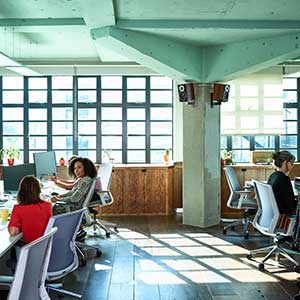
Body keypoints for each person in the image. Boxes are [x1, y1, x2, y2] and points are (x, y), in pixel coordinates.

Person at [8, 175, 52, 244]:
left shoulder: (18, 208)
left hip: (28, 248)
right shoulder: (48, 205)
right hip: (46, 246)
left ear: (21, 191)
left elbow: (12, 232)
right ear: (38, 190)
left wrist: (20, 227)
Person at [267, 150, 297, 215]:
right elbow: (291, 205)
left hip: (275, 213)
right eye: (291, 163)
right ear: (284, 163)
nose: (292, 165)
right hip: (284, 215)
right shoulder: (284, 179)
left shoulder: (273, 176)